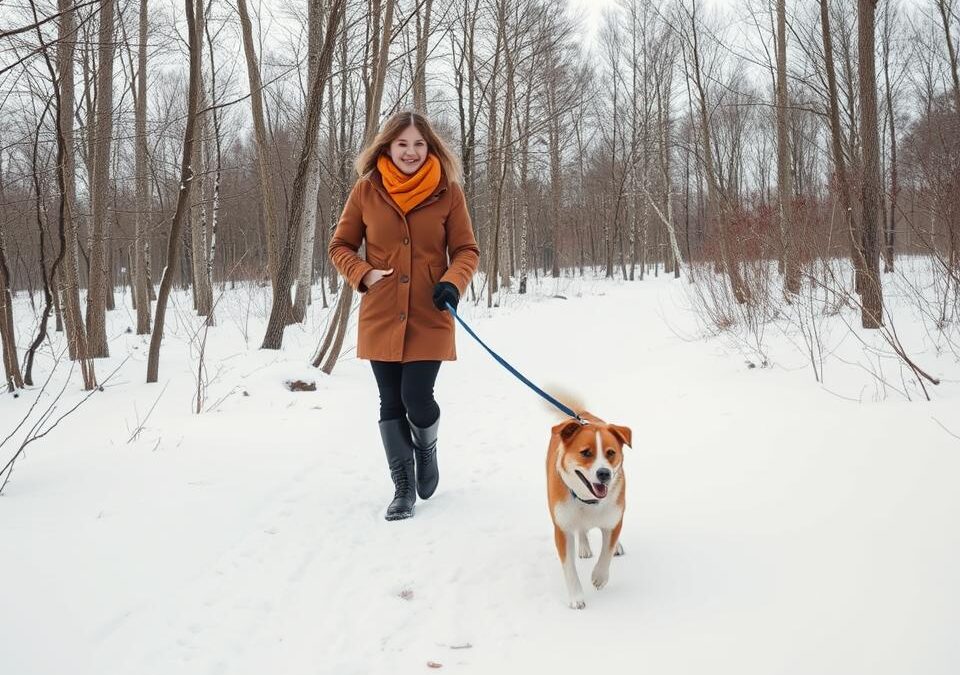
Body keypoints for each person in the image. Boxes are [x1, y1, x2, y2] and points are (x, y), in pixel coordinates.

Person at [328, 111, 480, 521]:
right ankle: (403, 487)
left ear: (429, 147)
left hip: (431, 312)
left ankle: (426, 449)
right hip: (381, 311)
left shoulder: (449, 192)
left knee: (417, 397)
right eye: (402, 144)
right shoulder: (366, 191)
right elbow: (340, 245)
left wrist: (452, 282)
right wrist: (364, 273)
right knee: (390, 401)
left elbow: (467, 250)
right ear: (387, 147)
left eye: (418, 144)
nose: (411, 152)